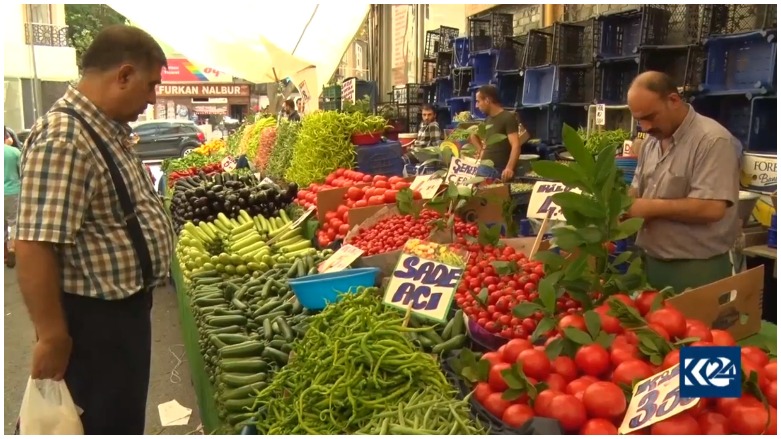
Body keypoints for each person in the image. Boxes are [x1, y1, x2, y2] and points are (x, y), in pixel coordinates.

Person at [14, 25, 175, 434]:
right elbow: (34, 245)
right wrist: (51, 337)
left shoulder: (100, 129)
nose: (153, 97)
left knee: (118, 422)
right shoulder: (64, 137)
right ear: (123, 75)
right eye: (151, 85)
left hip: (120, 319)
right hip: (93, 328)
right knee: (101, 424)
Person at [626, 71, 741, 293]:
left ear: (673, 100)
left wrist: (649, 207)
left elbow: (712, 208)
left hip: (697, 270)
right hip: (651, 264)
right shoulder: (651, 143)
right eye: (639, 120)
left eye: (651, 116)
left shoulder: (712, 141)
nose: (646, 127)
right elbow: (637, 189)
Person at [472, 85, 524, 182]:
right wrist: (481, 150)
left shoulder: (507, 117)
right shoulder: (487, 120)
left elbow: (516, 145)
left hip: (495, 170)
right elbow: (473, 135)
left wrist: (509, 168)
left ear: (487, 100)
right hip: (484, 166)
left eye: (478, 101)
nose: (476, 105)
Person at [4, 130, 21, 268]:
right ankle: (12, 248)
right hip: (12, 191)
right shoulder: (14, 152)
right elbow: (23, 171)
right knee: (13, 223)